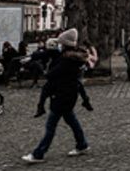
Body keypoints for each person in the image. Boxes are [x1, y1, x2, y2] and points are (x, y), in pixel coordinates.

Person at [22, 28, 90, 163]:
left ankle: (38, 154)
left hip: (62, 95)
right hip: (69, 95)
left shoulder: (66, 61)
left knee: (50, 126)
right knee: (72, 121)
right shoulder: (72, 58)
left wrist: (40, 67)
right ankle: (82, 144)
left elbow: (51, 74)